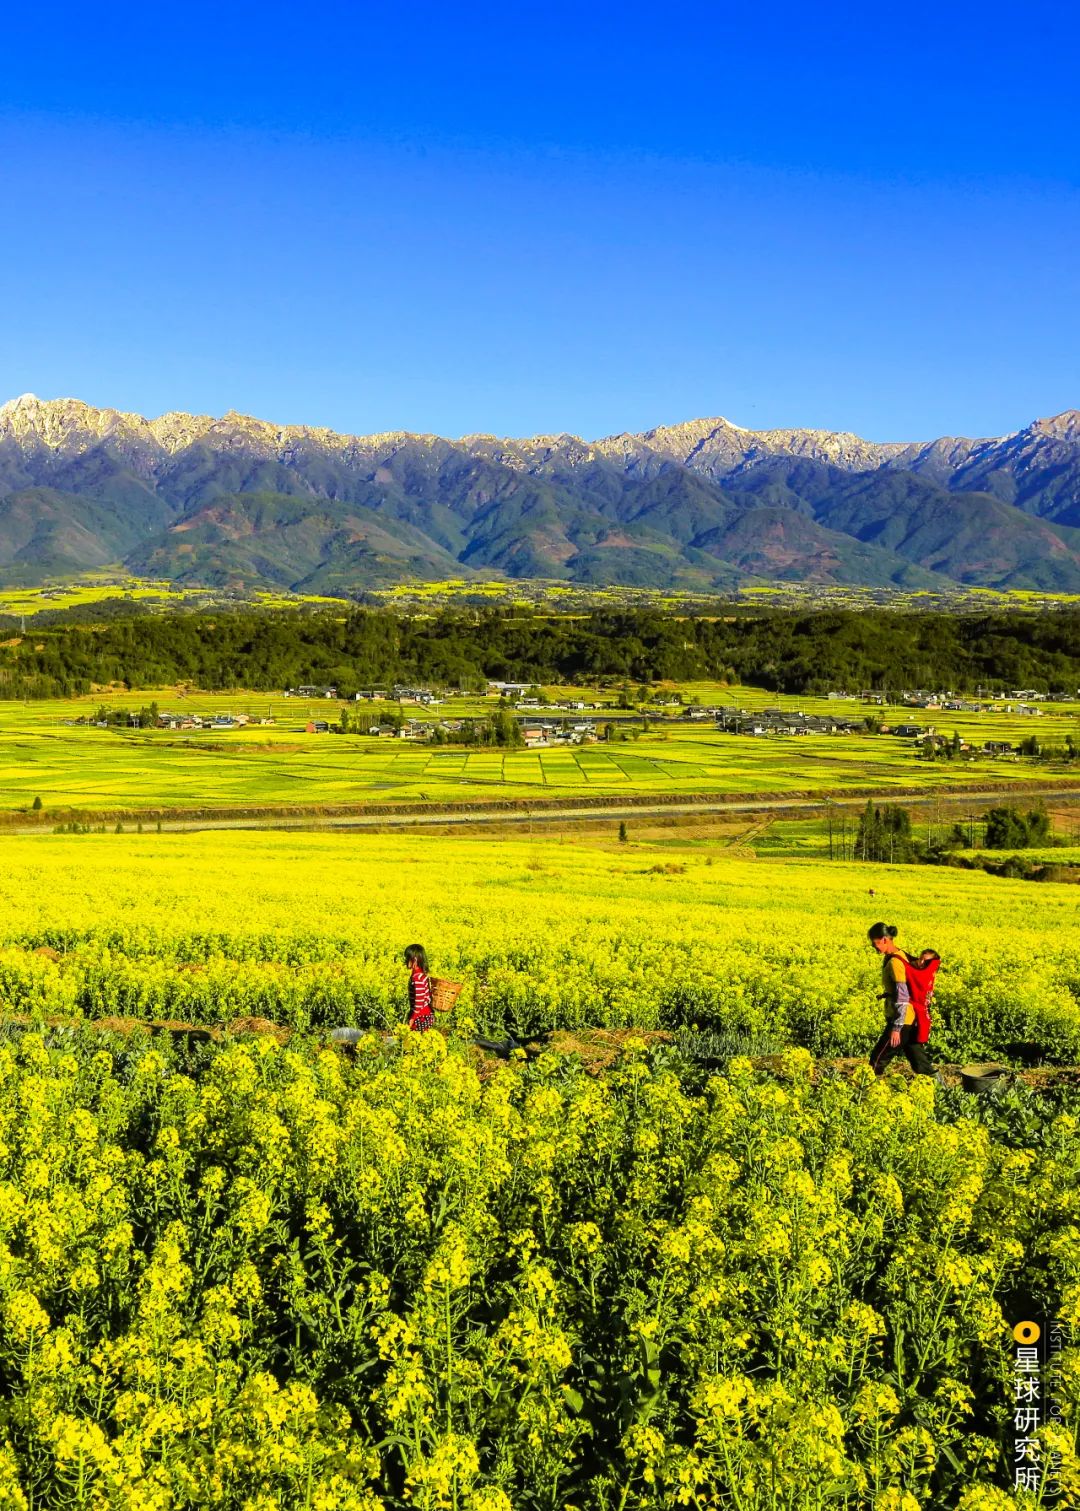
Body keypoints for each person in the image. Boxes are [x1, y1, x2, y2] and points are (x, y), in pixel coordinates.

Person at [866, 922, 935, 1077]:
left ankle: (864, 1090)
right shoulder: (900, 955)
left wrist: (896, 1029)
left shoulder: (895, 962)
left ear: (884, 939)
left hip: (902, 1020)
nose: (873, 946)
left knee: (878, 1059)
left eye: (875, 943)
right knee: (919, 1061)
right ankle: (940, 1087)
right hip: (909, 1018)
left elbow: (902, 996)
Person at [404, 943, 435, 1033]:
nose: (405, 961)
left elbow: (419, 1000)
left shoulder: (417, 978)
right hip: (423, 1014)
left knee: (417, 1042)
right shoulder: (420, 975)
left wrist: (412, 1018)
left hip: (421, 1016)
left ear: (415, 960)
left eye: (407, 958)